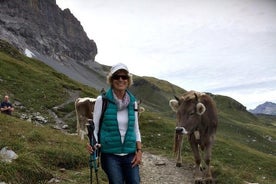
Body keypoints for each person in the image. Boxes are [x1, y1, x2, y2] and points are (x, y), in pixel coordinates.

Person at [87, 63, 142, 184]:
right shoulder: (102, 100)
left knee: (135, 182)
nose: (121, 79)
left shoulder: (133, 103)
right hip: (110, 154)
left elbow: (136, 129)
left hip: (130, 153)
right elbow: (95, 128)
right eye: (117, 76)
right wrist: (93, 144)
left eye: (124, 77)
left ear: (128, 81)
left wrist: (139, 151)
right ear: (111, 80)